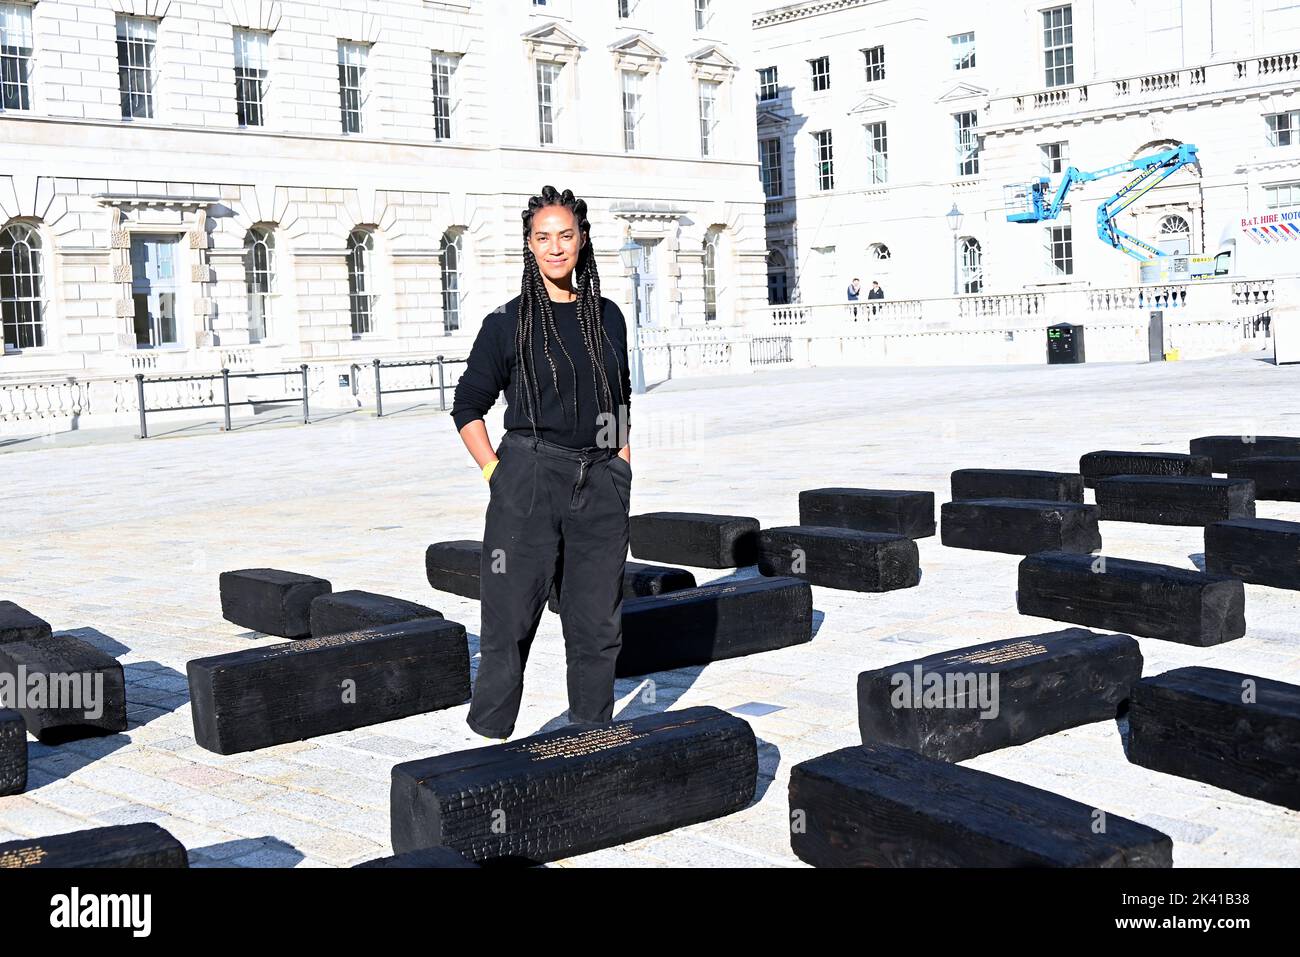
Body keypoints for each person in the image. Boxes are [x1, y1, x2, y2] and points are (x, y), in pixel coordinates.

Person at [449, 185, 633, 740]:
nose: (556, 248)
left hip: (600, 482)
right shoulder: (505, 324)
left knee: (598, 622)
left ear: (582, 242)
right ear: (529, 246)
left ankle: (590, 735)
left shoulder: (608, 316)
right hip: (528, 478)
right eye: (543, 238)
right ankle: (488, 735)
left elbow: (619, 401)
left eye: (566, 236)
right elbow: (467, 407)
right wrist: (495, 473)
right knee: (509, 618)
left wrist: (621, 469)